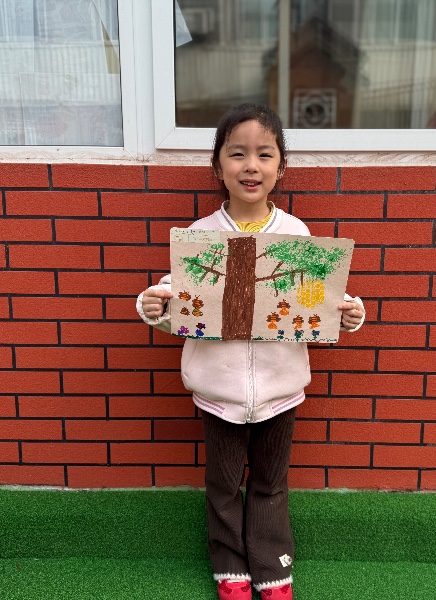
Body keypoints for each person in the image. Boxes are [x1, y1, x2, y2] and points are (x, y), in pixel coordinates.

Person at [137, 103, 365, 600]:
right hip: (217, 393)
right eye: (237, 153)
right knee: (223, 486)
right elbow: (178, 299)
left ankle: (273, 570)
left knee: (270, 485)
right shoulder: (200, 235)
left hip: (281, 392)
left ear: (281, 167)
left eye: (265, 154)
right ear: (217, 165)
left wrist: (350, 311)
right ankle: (230, 568)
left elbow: (319, 296)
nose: (251, 166)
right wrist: (154, 305)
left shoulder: (296, 234)